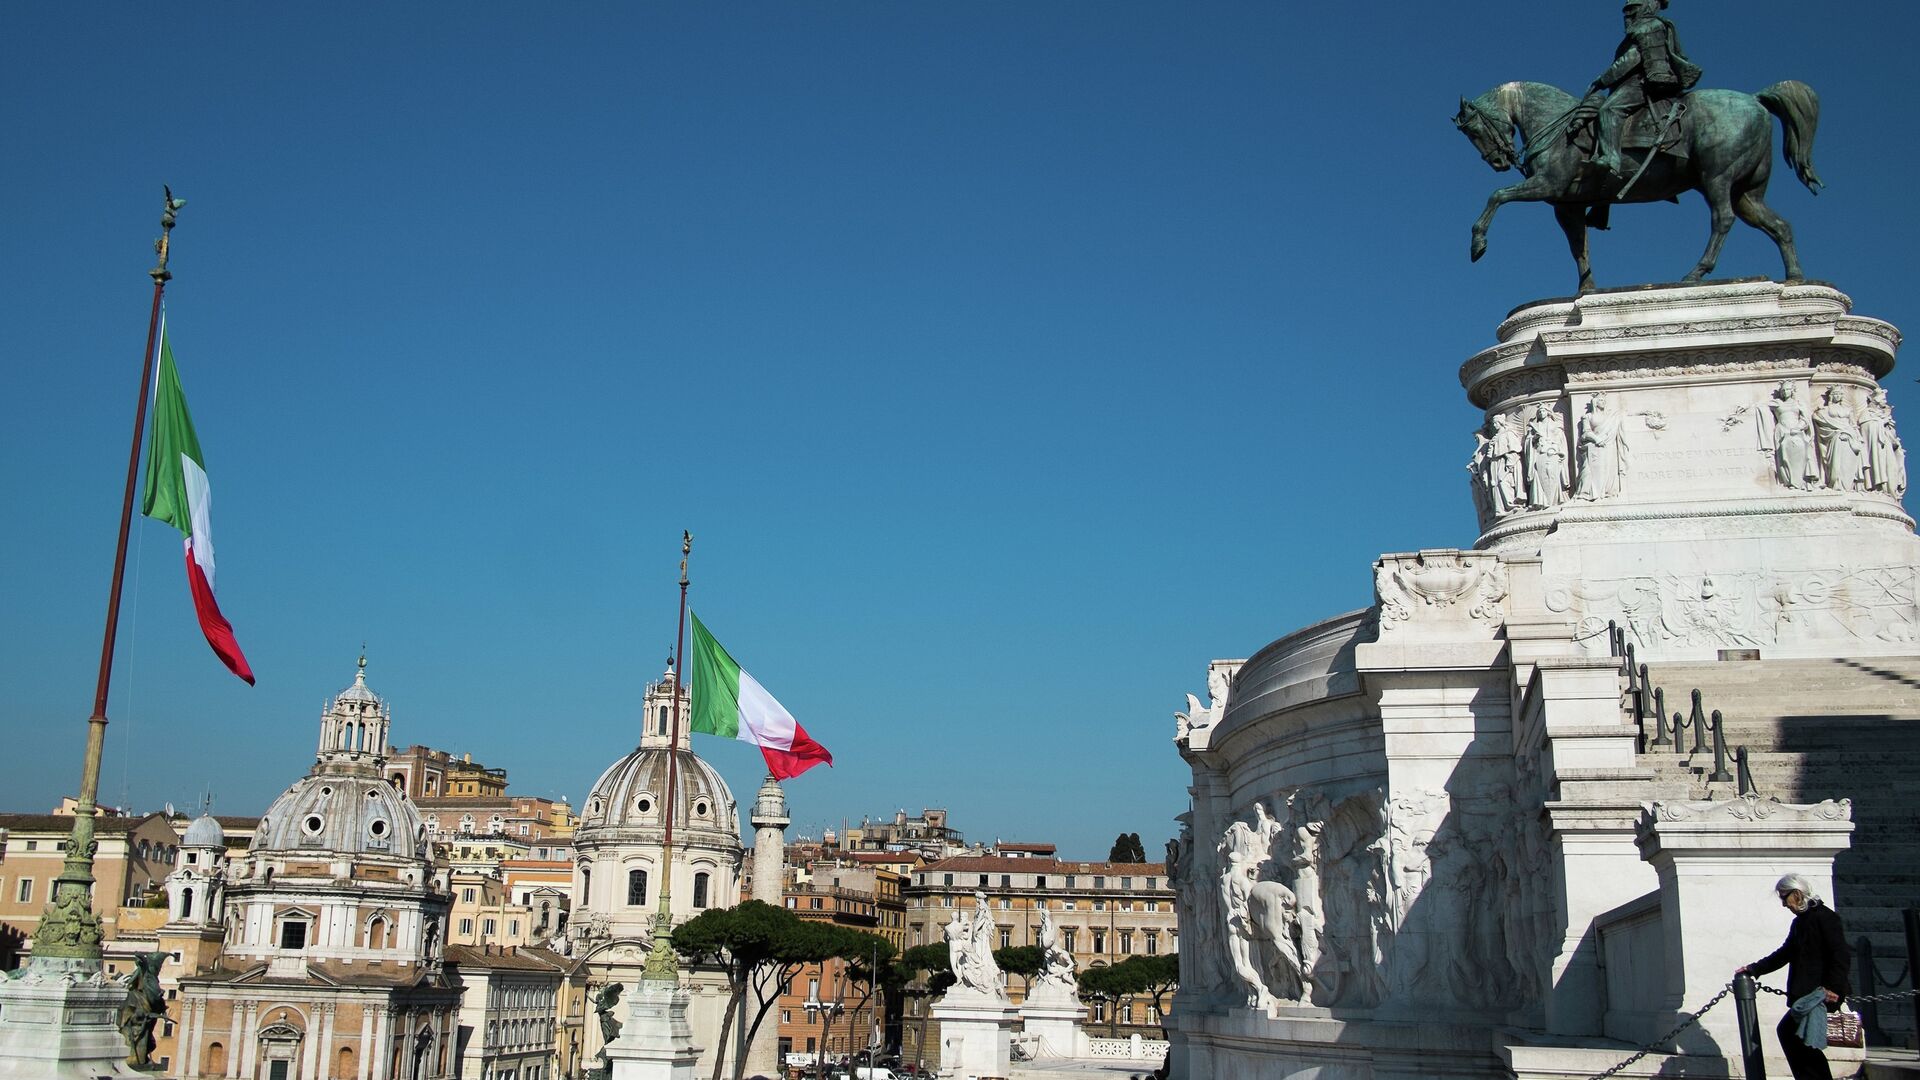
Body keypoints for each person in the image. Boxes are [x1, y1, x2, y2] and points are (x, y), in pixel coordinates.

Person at [1737, 873, 1851, 1080]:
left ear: (1797, 894)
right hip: (1809, 993)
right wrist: (1754, 968)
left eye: (1784, 897)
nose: (1784, 904)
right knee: (1800, 1040)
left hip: (1819, 994)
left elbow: (1840, 953)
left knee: (1794, 1036)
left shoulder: (1825, 917)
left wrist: (1833, 987)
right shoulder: (1801, 922)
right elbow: (1785, 953)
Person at [1587, 0, 1703, 179]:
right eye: (1627, 12)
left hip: (1642, 83)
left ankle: (1611, 159)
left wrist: (1602, 80)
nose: (1628, 16)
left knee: (1609, 110)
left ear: (1646, 6)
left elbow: (1631, 59)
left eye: (1632, 10)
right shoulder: (1648, 27)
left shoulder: (1648, 27)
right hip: (1639, 82)